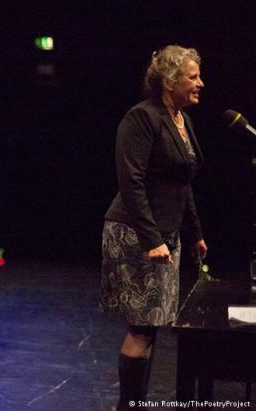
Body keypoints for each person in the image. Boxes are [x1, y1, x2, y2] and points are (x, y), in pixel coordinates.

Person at [101, 45, 208, 410]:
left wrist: (195, 233)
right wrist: (152, 240)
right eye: (192, 77)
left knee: (152, 326)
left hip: (167, 235)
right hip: (136, 235)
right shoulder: (141, 118)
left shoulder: (182, 120)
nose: (200, 83)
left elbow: (183, 182)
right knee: (142, 327)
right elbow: (131, 181)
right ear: (169, 81)